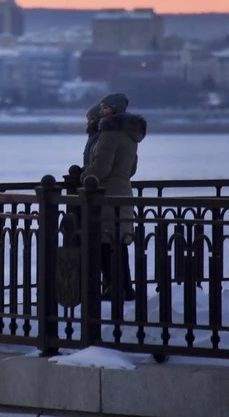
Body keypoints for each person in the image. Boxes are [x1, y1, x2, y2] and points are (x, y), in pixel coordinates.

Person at [81, 92, 147, 301]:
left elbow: (101, 167)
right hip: (123, 193)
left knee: (105, 243)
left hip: (106, 195)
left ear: (115, 110)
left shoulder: (109, 134)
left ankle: (113, 287)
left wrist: (83, 176)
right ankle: (124, 287)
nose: (101, 112)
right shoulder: (129, 135)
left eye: (105, 108)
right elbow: (132, 168)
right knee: (118, 243)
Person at [81, 104, 101, 170]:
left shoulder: (101, 138)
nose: (88, 122)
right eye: (88, 119)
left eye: (92, 119)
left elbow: (99, 163)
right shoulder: (93, 137)